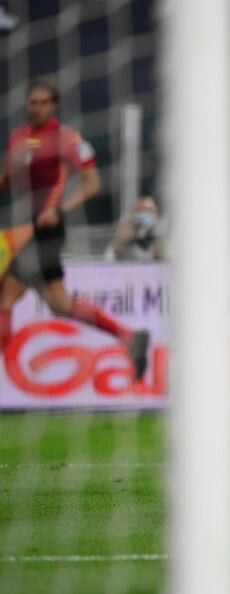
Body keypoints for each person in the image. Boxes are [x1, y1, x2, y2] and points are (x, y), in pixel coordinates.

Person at [0, 79, 149, 380]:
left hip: (48, 231)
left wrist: (59, 210)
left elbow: (92, 184)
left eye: (43, 102)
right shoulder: (18, 138)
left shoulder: (67, 139)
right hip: (26, 228)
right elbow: (5, 181)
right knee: (59, 303)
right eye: (33, 102)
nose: (37, 108)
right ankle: (129, 336)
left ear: (54, 105)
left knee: (5, 299)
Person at [105, 196, 166, 262]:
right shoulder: (126, 240)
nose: (145, 214)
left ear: (157, 215)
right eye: (140, 210)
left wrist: (159, 252)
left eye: (149, 210)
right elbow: (108, 262)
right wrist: (119, 243)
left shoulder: (165, 237)